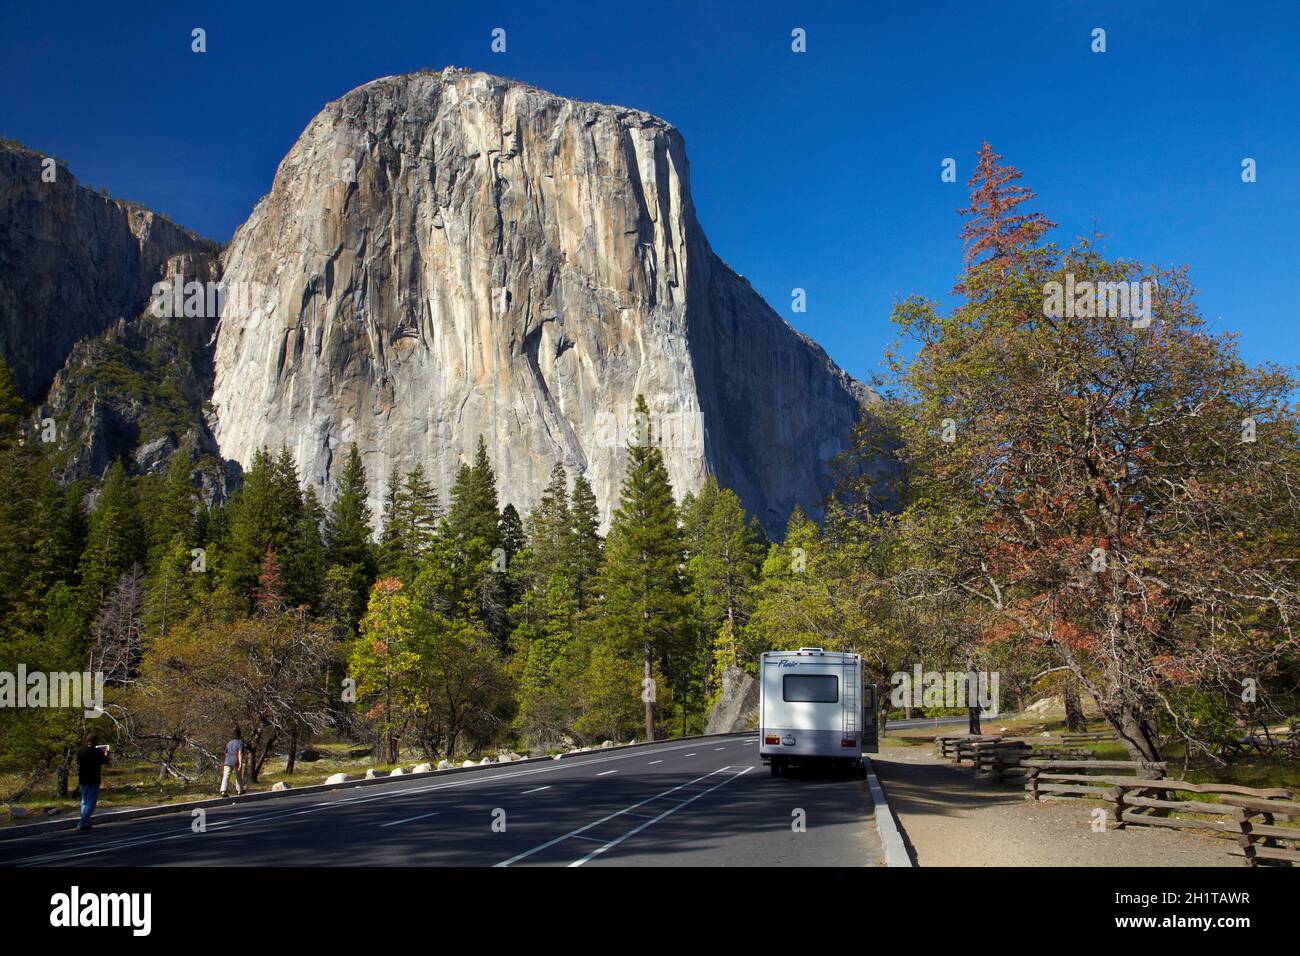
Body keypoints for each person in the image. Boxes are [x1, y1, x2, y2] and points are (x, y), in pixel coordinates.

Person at [75, 733, 110, 831]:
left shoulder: (81, 751)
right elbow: (105, 762)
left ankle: (86, 822)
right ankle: (82, 823)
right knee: (91, 803)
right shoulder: (98, 752)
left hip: (82, 779)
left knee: (84, 802)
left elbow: (79, 762)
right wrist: (106, 755)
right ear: (95, 741)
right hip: (94, 779)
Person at [221, 727, 245, 797]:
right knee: (238, 775)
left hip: (227, 761)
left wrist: (225, 761)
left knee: (226, 776)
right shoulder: (240, 743)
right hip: (235, 760)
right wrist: (240, 764)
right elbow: (240, 753)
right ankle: (240, 790)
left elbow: (225, 753)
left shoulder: (228, 743)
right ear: (239, 735)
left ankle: (223, 791)